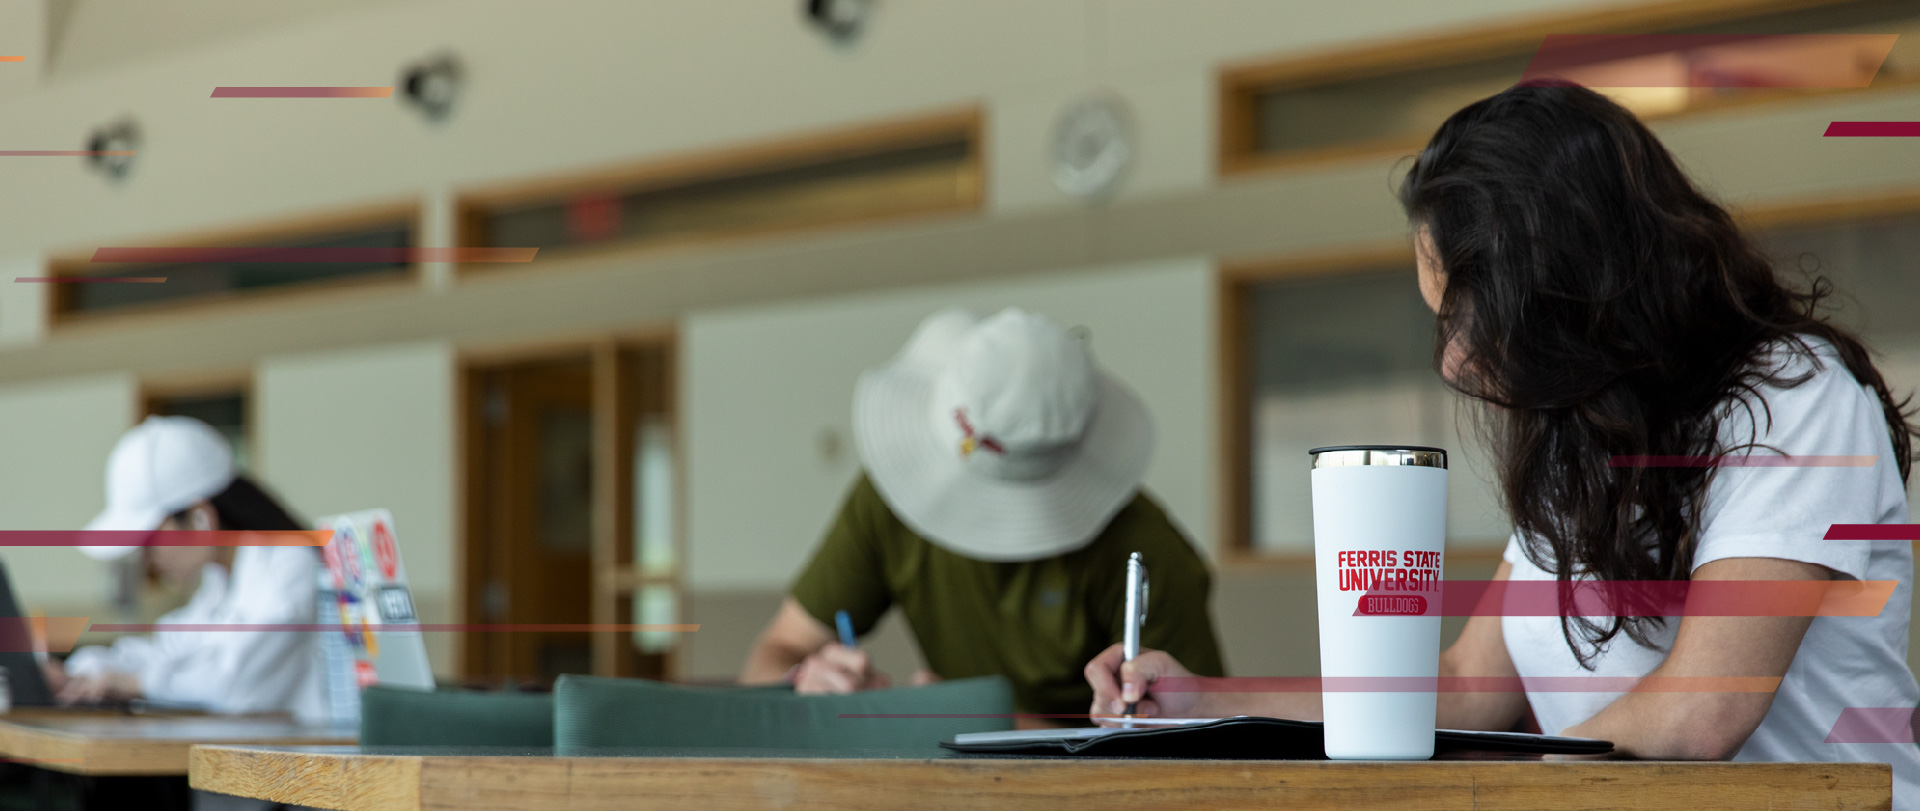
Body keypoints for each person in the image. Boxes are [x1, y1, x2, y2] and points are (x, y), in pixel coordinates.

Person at [1087, 81, 1920, 802]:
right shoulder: (1583, 429)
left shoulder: (1795, 394)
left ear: (1572, 291)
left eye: (1469, 318)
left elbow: (1700, 713)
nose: (1452, 360)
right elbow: (1464, 686)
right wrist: (1203, 701)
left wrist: (1493, 792)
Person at [742, 307, 1225, 722]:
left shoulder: (1143, 550)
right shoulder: (887, 500)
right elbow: (770, 655)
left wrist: (981, 719)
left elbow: (1200, 742)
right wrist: (801, 682)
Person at [46, 415, 325, 719]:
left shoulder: (291, 567)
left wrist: (133, 683)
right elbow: (165, 650)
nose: (146, 559)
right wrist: (77, 673)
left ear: (199, 518)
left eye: (149, 540)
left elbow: (234, 684)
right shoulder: (220, 585)